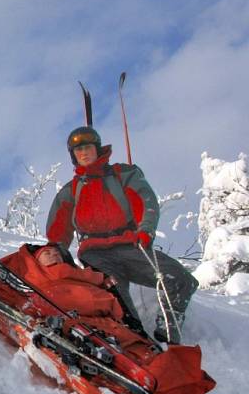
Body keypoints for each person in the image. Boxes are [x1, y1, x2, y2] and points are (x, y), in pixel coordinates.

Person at [46, 126, 198, 344]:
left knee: (182, 280)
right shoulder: (70, 191)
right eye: (78, 151)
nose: (84, 153)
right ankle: (138, 345)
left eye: (88, 147)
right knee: (120, 306)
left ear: (97, 149)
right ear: (74, 157)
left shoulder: (123, 174)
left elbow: (146, 201)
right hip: (96, 255)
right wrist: (57, 256)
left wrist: (145, 230)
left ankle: (168, 331)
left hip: (132, 248)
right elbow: (57, 232)